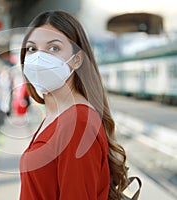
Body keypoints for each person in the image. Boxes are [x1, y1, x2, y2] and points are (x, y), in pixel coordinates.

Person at [19, 11, 129, 200]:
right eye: (32, 48)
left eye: (53, 48)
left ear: (77, 60)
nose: (39, 58)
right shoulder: (57, 116)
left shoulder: (77, 123)